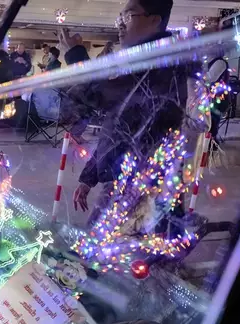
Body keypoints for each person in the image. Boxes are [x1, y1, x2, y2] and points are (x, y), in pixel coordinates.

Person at [62, 0, 191, 230]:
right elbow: (117, 127)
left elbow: (99, 97)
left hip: (142, 189)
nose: (120, 26)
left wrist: (77, 58)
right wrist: (89, 177)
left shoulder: (163, 64)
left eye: (128, 17)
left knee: (95, 257)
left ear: (154, 20)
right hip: (125, 182)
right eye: (119, 19)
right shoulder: (139, 62)